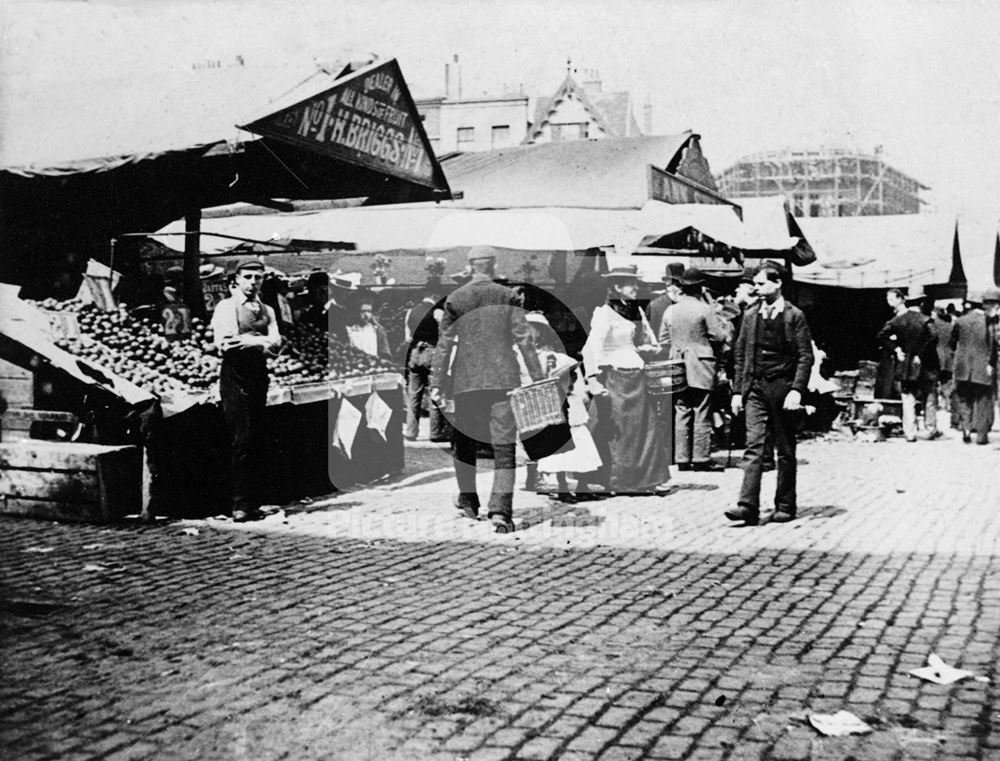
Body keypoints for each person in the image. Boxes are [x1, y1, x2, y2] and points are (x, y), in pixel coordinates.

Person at [430, 246, 544, 534]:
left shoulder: (456, 298)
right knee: (504, 448)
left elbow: (444, 346)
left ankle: (469, 501)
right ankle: (501, 512)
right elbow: (525, 341)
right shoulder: (508, 296)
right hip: (503, 381)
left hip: (465, 383)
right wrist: (539, 377)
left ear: (470, 266)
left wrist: (437, 384)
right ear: (493, 265)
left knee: (464, 443)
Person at [727, 263, 814, 525]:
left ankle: (785, 505)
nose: (758, 289)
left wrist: (797, 390)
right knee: (753, 446)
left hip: (783, 388)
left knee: (785, 449)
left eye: (762, 284)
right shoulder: (751, 315)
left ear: (778, 284)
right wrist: (737, 392)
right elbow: (741, 355)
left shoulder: (794, 315)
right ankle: (747, 505)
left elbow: (804, 356)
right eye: (755, 284)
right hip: (755, 387)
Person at [581, 264, 672, 495]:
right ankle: (617, 481)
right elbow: (591, 349)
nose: (635, 287)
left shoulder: (636, 312)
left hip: (637, 377)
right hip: (615, 377)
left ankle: (644, 480)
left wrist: (649, 348)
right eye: (631, 284)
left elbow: (644, 341)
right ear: (616, 287)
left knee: (644, 429)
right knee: (621, 431)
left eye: (635, 283)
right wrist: (592, 379)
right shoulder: (603, 313)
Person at [210, 259, 282, 522]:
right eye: (248, 277)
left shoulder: (268, 310)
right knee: (241, 439)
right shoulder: (227, 307)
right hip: (235, 377)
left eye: (258, 277)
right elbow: (226, 343)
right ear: (236, 280)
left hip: (258, 376)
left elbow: (276, 341)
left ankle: (254, 501)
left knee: (257, 438)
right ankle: (239, 504)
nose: (253, 282)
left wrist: (261, 343)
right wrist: (261, 342)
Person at [659, 266, 729, 471]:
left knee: (681, 410)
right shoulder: (704, 309)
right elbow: (719, 336)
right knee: (701, 409)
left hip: (677, 363)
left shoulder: (670, 310)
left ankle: (681, 457)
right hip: (701, 364)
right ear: (701, 287)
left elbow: (663, 339)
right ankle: (700, 457)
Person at [876, 289, 937, 442]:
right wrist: (920, 354)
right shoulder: (925, 320)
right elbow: (933, 337)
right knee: (928, 396)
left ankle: (910, 432)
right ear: (922, 303)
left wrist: (896, 349)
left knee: (908, 398)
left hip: (905, 365)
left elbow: (881, 336)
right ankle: (930, 429)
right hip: (925, 365)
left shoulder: (896, 321)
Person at [949, 287, 1000, 445]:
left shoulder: (960, 321)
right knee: (983, 400)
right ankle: (981, 436)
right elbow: (992, 344)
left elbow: (952, 342)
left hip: (962, 367)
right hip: (982, 367)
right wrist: (990, 363)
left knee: (964, 399)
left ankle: (966, 428)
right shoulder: (988, 321)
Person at [403, 286, 448, 442]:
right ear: (434, 294)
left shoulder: (411, 311)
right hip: (431, 352)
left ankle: (411, 431)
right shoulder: (437, 311)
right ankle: (435, 433)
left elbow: (408, 336)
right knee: (434, 391)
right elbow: (445, 333)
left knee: (413, 394)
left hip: (415, 352)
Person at [345, 294, 392, 360]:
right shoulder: (349, 330)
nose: (366, 315)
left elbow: (385, 354)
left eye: (369, 311)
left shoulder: (377, 330)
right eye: (363, 311)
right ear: (357, 312)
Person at [647, 264, 682, 339]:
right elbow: (649, 333)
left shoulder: (686, 304)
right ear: (667, 283)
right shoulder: (655, 306)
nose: (681, 289)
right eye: (677, 284)